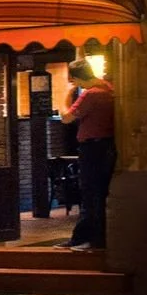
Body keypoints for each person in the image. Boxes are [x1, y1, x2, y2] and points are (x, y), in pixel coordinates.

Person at [61, 60, 116, 251]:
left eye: (74, 80)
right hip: (106, 147)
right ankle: (83, 238)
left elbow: (66, 117)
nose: (75, 84)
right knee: (98, 194)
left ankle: (92, 240)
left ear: (77, 77)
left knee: (90, 195)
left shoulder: (90, 94)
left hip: (92, 149)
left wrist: (66, 97)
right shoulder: (109, 89)